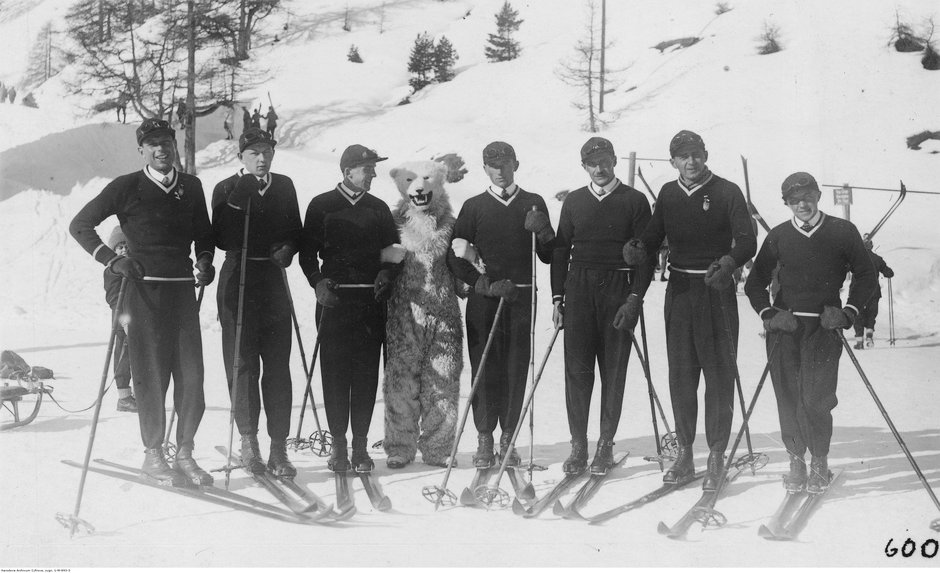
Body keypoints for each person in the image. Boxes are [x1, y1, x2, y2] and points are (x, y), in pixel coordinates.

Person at [70, 118, 216, 486]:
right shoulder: (127, 186)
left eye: (166, 142)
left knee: (192, 376)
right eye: (152, 144)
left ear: (174, 145)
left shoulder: (192, 187)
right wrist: (112, 259)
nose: (161, 149)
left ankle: (184, 452)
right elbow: (80, 225)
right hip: (143, 292)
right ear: (142, 150)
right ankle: (154, 454)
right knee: (150, 377)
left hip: (182, 292)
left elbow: (205, 235)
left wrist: (205, 261)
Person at [623, 130, 756, 490]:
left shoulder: (727, 191)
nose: (690, 162)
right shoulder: (667, 193)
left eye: (696, 154)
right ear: (673, 162)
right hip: (680, 291)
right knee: (681, 374)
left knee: (718, 374)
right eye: (683, 156)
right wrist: (639, 248)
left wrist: (730, 262)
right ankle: (684, 453)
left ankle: (716, 454)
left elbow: (748, 240)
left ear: (705, 155)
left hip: (716, 289)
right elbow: (653, 236)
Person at [744, 172, 877, 493]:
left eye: (807, 197)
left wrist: (848, 313)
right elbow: (754, 283)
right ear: (786, 202)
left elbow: (866, 275)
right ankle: (796, 462)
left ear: (818, 196)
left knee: (816, 398)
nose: (801, 204)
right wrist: (769, 315)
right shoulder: (778, 235)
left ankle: (819, 461)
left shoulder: (842, 232)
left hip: (824, 328)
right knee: (788, 397)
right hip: (785, 330)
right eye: (793, 199)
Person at [447, 141, 556, 469]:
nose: (499, 169)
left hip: (521, 297)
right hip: (485, 298)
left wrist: (546, 232)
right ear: (484, 169)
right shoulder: (474, 206)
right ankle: (484, 437)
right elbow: (453, 254)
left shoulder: (533, 202)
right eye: (492, 164)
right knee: (484, 367)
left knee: (515, 366)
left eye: (505, 163)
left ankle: (508, 435)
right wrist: (478, 282)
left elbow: (549, 255)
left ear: (516, 164)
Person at [550, 137, 651, 475]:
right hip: (579, 288)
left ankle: (605, 444)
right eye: (592, 163)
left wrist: (635, 298)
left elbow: (645, 256)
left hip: (617, 289)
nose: (599, 167)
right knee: (577, 371)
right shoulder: (575, 201)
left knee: (613, 369)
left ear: (614, 161)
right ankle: (579, 445)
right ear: (584, 167)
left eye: (605, 160)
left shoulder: (634, 201)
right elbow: (561, 251)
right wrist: (557, 298)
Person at [299, 144, 400, 473]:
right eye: (367, 168)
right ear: (347, 172)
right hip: (335, 303)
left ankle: (360, 446)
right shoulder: (322, 206)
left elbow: (393, 251)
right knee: (336, 376)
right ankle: (339, 447)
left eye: (373, 168)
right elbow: (306, 254)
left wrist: (387, 273)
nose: (373, 174)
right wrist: (317, 282)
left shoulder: (378, 208)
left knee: (366, 375)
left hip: (370, 304)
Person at [211, 127, 302, 477]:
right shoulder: (225, 187)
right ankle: (249, 441)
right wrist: (238, 198)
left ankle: (279, 447)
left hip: (272, 278)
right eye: (254, 153)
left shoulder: (284, 185)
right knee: (243, 364)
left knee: (278, 365)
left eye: (266, 152)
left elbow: (296, 229)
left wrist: (288, 249)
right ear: (241, 157)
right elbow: (220, 237)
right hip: (238, 278)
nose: (261, 159)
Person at [103, 226, 137, 413]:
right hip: (121, 317)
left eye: (127, 245)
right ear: (113, 250)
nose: (124, 249)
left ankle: (140, 394)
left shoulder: (134, 267)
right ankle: (124, 397)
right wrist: (124, 320)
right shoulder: (112, 271)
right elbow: (113, 299)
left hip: (137, 318)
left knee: (139, 355)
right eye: (119, 246)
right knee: (124, 354)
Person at [852, 234, 895, 349]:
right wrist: (888, 272)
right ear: (871, 246)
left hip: (857, 293)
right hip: (873, 292)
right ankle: (869, 337)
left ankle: (859, 341)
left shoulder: (855, 259)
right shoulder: (877, 259)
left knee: (858, 316)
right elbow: (888, 273)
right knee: (871, 315)